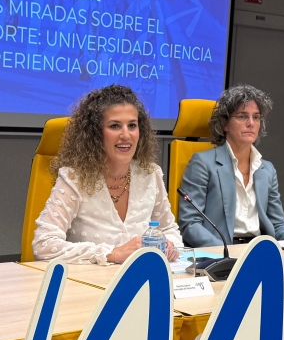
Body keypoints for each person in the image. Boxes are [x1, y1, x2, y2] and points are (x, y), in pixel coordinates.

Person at [33, 84, 183, 265]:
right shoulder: (74, 178)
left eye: (132, 125)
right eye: (115, 126)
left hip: (142, 281)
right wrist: (112, 253)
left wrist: (170, 245)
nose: (126, 135)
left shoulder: (150, 174)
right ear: (96, 133)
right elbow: (44, 244)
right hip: (90, 286)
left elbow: (169, 229)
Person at [177, 84, 284, 248]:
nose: (251, 123)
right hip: (222, 251)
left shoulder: (267, 169)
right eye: (242, 116)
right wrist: (227, 252)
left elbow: (278, 226)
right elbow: (191, 224)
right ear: (225, 124)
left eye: (256, 117)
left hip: (260, 249)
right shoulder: (203, 163)